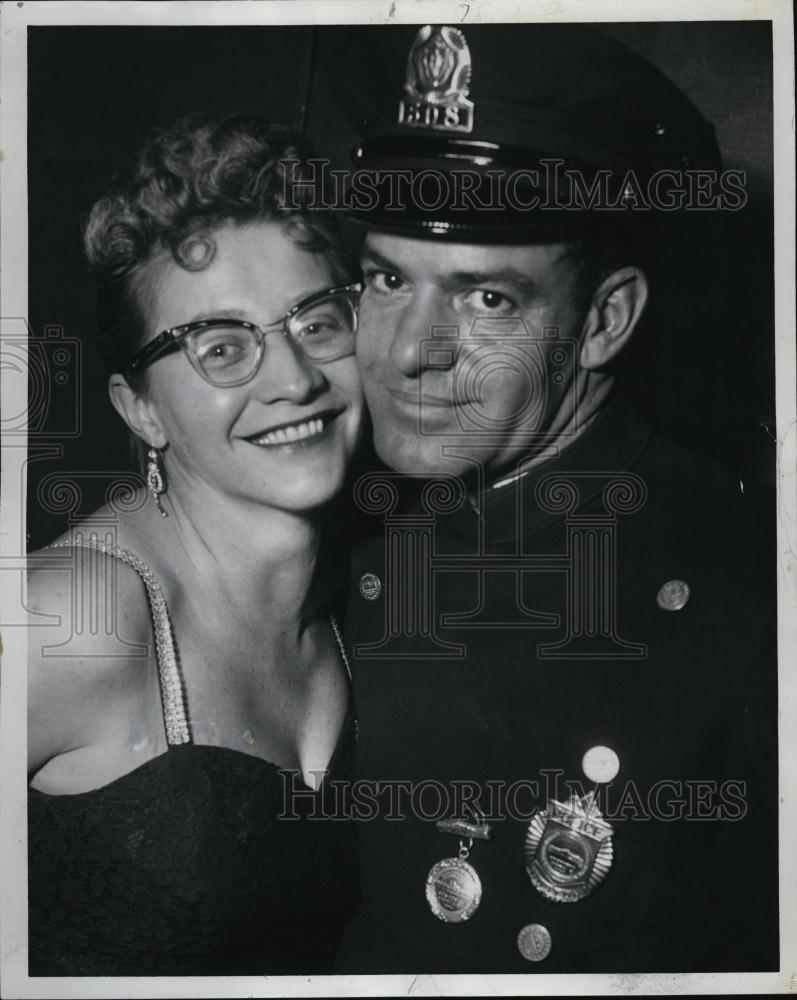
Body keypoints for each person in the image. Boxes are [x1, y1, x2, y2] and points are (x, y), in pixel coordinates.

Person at [329, 25, 779, 973]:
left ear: (604, 320)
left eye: (485, 299)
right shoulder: (328, 525)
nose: (406, 352)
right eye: (386, 278)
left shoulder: (748, 589)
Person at [26, 114, 364, 976]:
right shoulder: (69, 621)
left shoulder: (373, 596)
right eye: (220, 348)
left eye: (317, 323)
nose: (294, 380)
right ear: (139, 408)